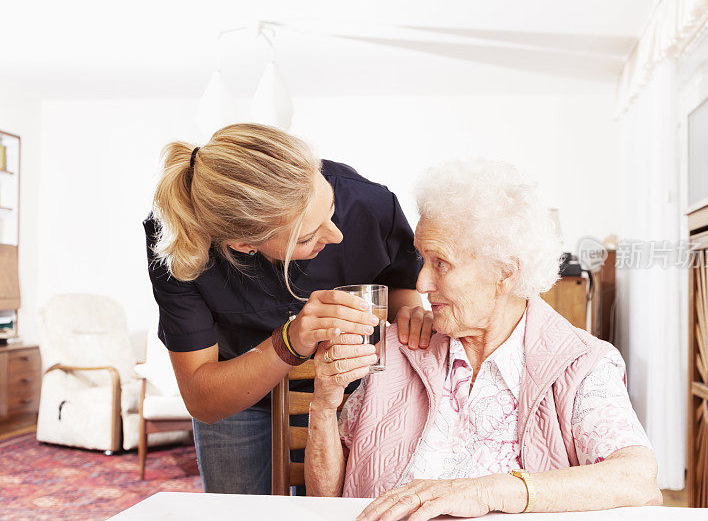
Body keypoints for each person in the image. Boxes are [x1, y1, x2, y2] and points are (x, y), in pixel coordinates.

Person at [305, 160, 662, 520]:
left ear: (505, 273)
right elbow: (328, 499)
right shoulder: (399, 348)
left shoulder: (580, 364)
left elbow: (637, 479)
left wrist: (490, 490)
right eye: (422, 260)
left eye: (441, 263)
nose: (421, 284)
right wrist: (323, 402)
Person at [144, 123, 432, 495]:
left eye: (332, 209)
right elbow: (203, 398)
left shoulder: (368, 202)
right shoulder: (178, 244)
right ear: (244, 244)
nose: (337, 235)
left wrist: (409, 310)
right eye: (309, 237)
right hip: (239, 397)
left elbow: (401, 282)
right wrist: (290, 343)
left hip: (354, 390)